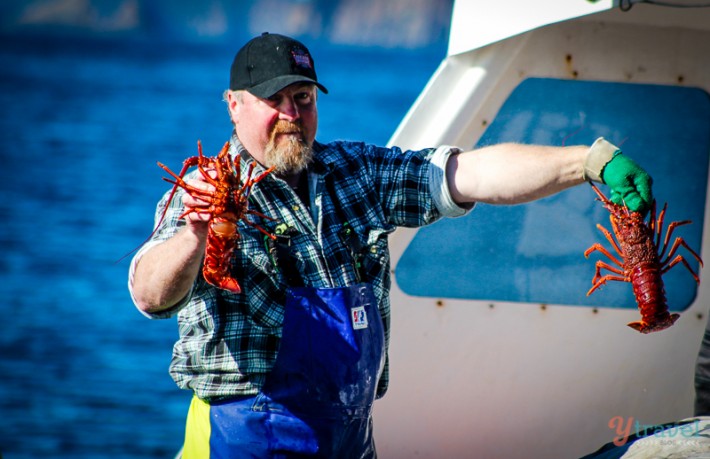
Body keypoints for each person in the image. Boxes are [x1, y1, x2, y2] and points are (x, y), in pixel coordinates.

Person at [128, 32, 653, 458]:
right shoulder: (202, 188)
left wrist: (587, 161)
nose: (291, 113)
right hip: (241, 440)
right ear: (234, 107)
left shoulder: (357, 173)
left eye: (303, 98)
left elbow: (467, 172)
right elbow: (150, 294)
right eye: (274, 100)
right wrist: (196, 234)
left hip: (349, 439)